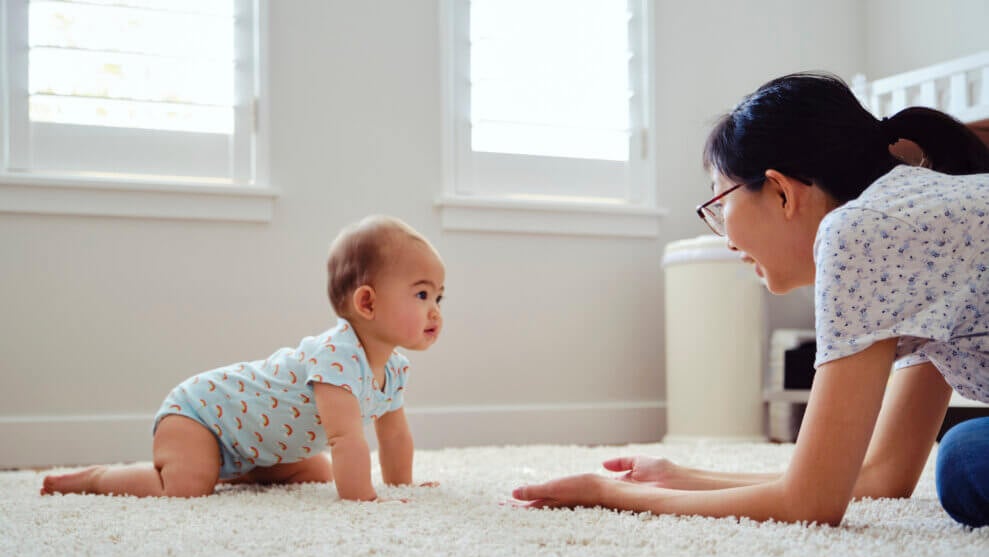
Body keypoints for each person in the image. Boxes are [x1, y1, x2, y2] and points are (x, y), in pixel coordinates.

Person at [512, 72, 989, 527]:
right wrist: (683, 480)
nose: (727, 240)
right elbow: (883, 475)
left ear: (781, 191)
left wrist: (611, 494)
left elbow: (810, 502)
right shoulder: (909, 232)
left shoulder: (861, 230)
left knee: (964, 457)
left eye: (720, 204)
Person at [42, 215, 445, 502]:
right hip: (199, 416)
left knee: (318, 469)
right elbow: (346, 439)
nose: (435, 310)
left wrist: (402, 486)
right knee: (186, 486)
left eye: (439, 297)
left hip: (250, 443)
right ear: (367, 302)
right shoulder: (336, 358)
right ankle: (95, 479)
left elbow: (393, 435)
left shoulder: (392, 369)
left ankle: (241, 470)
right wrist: (365, 501)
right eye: (422, 294)